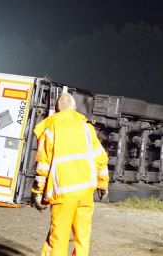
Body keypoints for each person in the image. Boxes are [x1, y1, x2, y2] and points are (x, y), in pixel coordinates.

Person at [32, 93, 109, 256]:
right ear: (74, 108)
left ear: (57, 110)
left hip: (63, 193)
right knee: (82, 239)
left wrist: (37, 192)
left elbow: (43, 163)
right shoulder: (87, 128)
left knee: (58, 239)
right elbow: (101, 158)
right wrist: (103, 184)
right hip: (86, 192)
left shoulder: (51, 128)